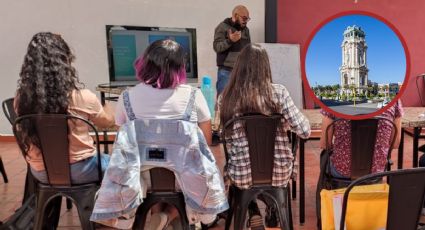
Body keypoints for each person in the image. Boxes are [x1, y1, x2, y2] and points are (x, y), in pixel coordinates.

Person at [111, 39, 227, 230]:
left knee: (152, 164)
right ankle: (169, 215)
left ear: (145, 62)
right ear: (180, 67)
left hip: (144, 176)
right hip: (184, 177)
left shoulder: (126, 97)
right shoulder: (193, 95)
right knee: (192, 166)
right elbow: (204, 143)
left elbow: (121, 143)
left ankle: (159, 214)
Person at [219, 44, 311, 229]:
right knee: (269, 180)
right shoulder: (278, 93)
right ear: (265, 67)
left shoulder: (226, 97)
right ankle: (272, 205)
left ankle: (253, 209)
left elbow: (225, 137)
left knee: (243, 177)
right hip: (279, 174)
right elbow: (305, 130)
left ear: (239, 67)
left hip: (241, 174)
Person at [15, 32, 115, 184]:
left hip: (41, 172)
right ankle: (109, 205)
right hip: (83, 170)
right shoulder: (83, 97)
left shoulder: (22, 100)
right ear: (65, 62)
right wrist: (108, 109)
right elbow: (106, 124)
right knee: (123, 162)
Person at [319, 101, 403, 179]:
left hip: (341, 171)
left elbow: (325, 143)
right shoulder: (395, 100)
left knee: (325, 157)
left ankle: (331, 190)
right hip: (377, 171)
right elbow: (395, 143)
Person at [213, 4, 251, 96]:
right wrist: (230, 41)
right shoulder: (222, 27)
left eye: (247, 19)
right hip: (226, 71)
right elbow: (217, 47)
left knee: (241, 101)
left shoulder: (246, 30)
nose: (246, 21)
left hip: (242, 71)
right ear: (235, 16)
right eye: (244, 18)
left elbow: (248, 49)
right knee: (223, 100)